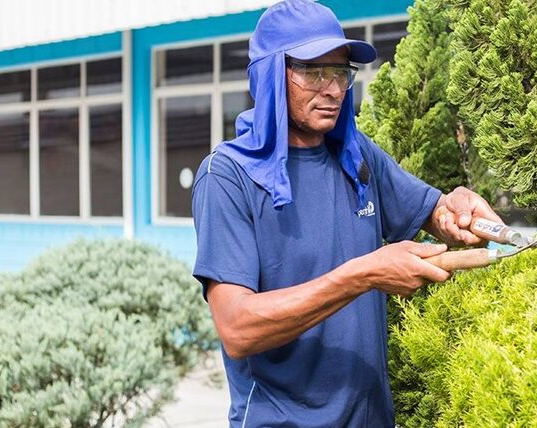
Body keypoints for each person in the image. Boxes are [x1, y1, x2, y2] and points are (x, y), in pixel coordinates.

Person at [191, 1, 503, 426]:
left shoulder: (357, 158)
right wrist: (363, 275)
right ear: (269, 77)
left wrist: (457, 208)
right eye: (313, 72)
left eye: (340, 72)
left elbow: (436, 211)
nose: (333, 89)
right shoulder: (229, 176)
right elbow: (238, 329)